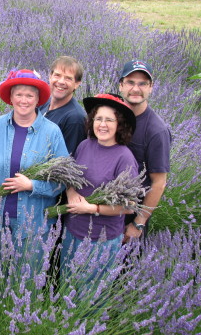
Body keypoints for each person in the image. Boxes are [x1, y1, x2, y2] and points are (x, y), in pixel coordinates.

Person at [0, 69, 68, 270]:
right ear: (10, 97)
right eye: (18, 94)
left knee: (28, 281)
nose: (24, 100)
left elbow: (63, 179)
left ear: (38, 99)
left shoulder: (52, 132)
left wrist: (32, 185)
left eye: (30, 95)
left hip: (33, 223)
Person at [60, 93, 138, 283]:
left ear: (119, 124)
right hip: (73, 231)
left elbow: (129, 206)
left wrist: (91, 208)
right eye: (98, 119)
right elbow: (72, 177)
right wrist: (70, 192)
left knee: (89, 297)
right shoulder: (85, 145)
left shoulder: (124, 158)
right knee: (66, 287)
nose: (102, 124)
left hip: (101, 240)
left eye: (109, 120)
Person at [118, 60, 171, 241]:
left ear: (151, 87)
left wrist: (138, 223)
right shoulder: (112, 117)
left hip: (130, 216)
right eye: (131, 82)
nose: (136, 89)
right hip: (103, 210)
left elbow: (159, 183)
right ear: (121, 85)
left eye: (142, 84)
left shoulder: (156, 130)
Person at [38, 56, 86, 155]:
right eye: (57, 75)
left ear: (77, 84)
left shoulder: (75, 118)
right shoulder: (44, 104)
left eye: (68, 78)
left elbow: (66, 163)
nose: (61, 82)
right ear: (50, 76)